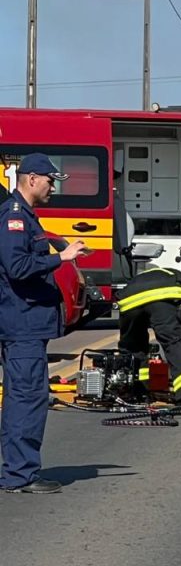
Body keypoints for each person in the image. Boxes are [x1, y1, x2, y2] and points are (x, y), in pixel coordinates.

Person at [0, 153, 89, 493]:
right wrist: (60, 258)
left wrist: (57, 247)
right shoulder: (15, 218)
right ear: (32, 179)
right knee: (26, 399)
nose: (53, 187)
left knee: (26, 397)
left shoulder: (26, 218)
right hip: (22, 325)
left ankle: (19, 472)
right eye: (50, 180)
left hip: (27, 325)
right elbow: (17, 267)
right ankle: (20, 475)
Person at [116, 267, 181, 411]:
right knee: (175, 342)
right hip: (160, 295)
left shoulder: (161, 275)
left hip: (128, 299)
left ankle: (135, 390)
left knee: (132, 347)